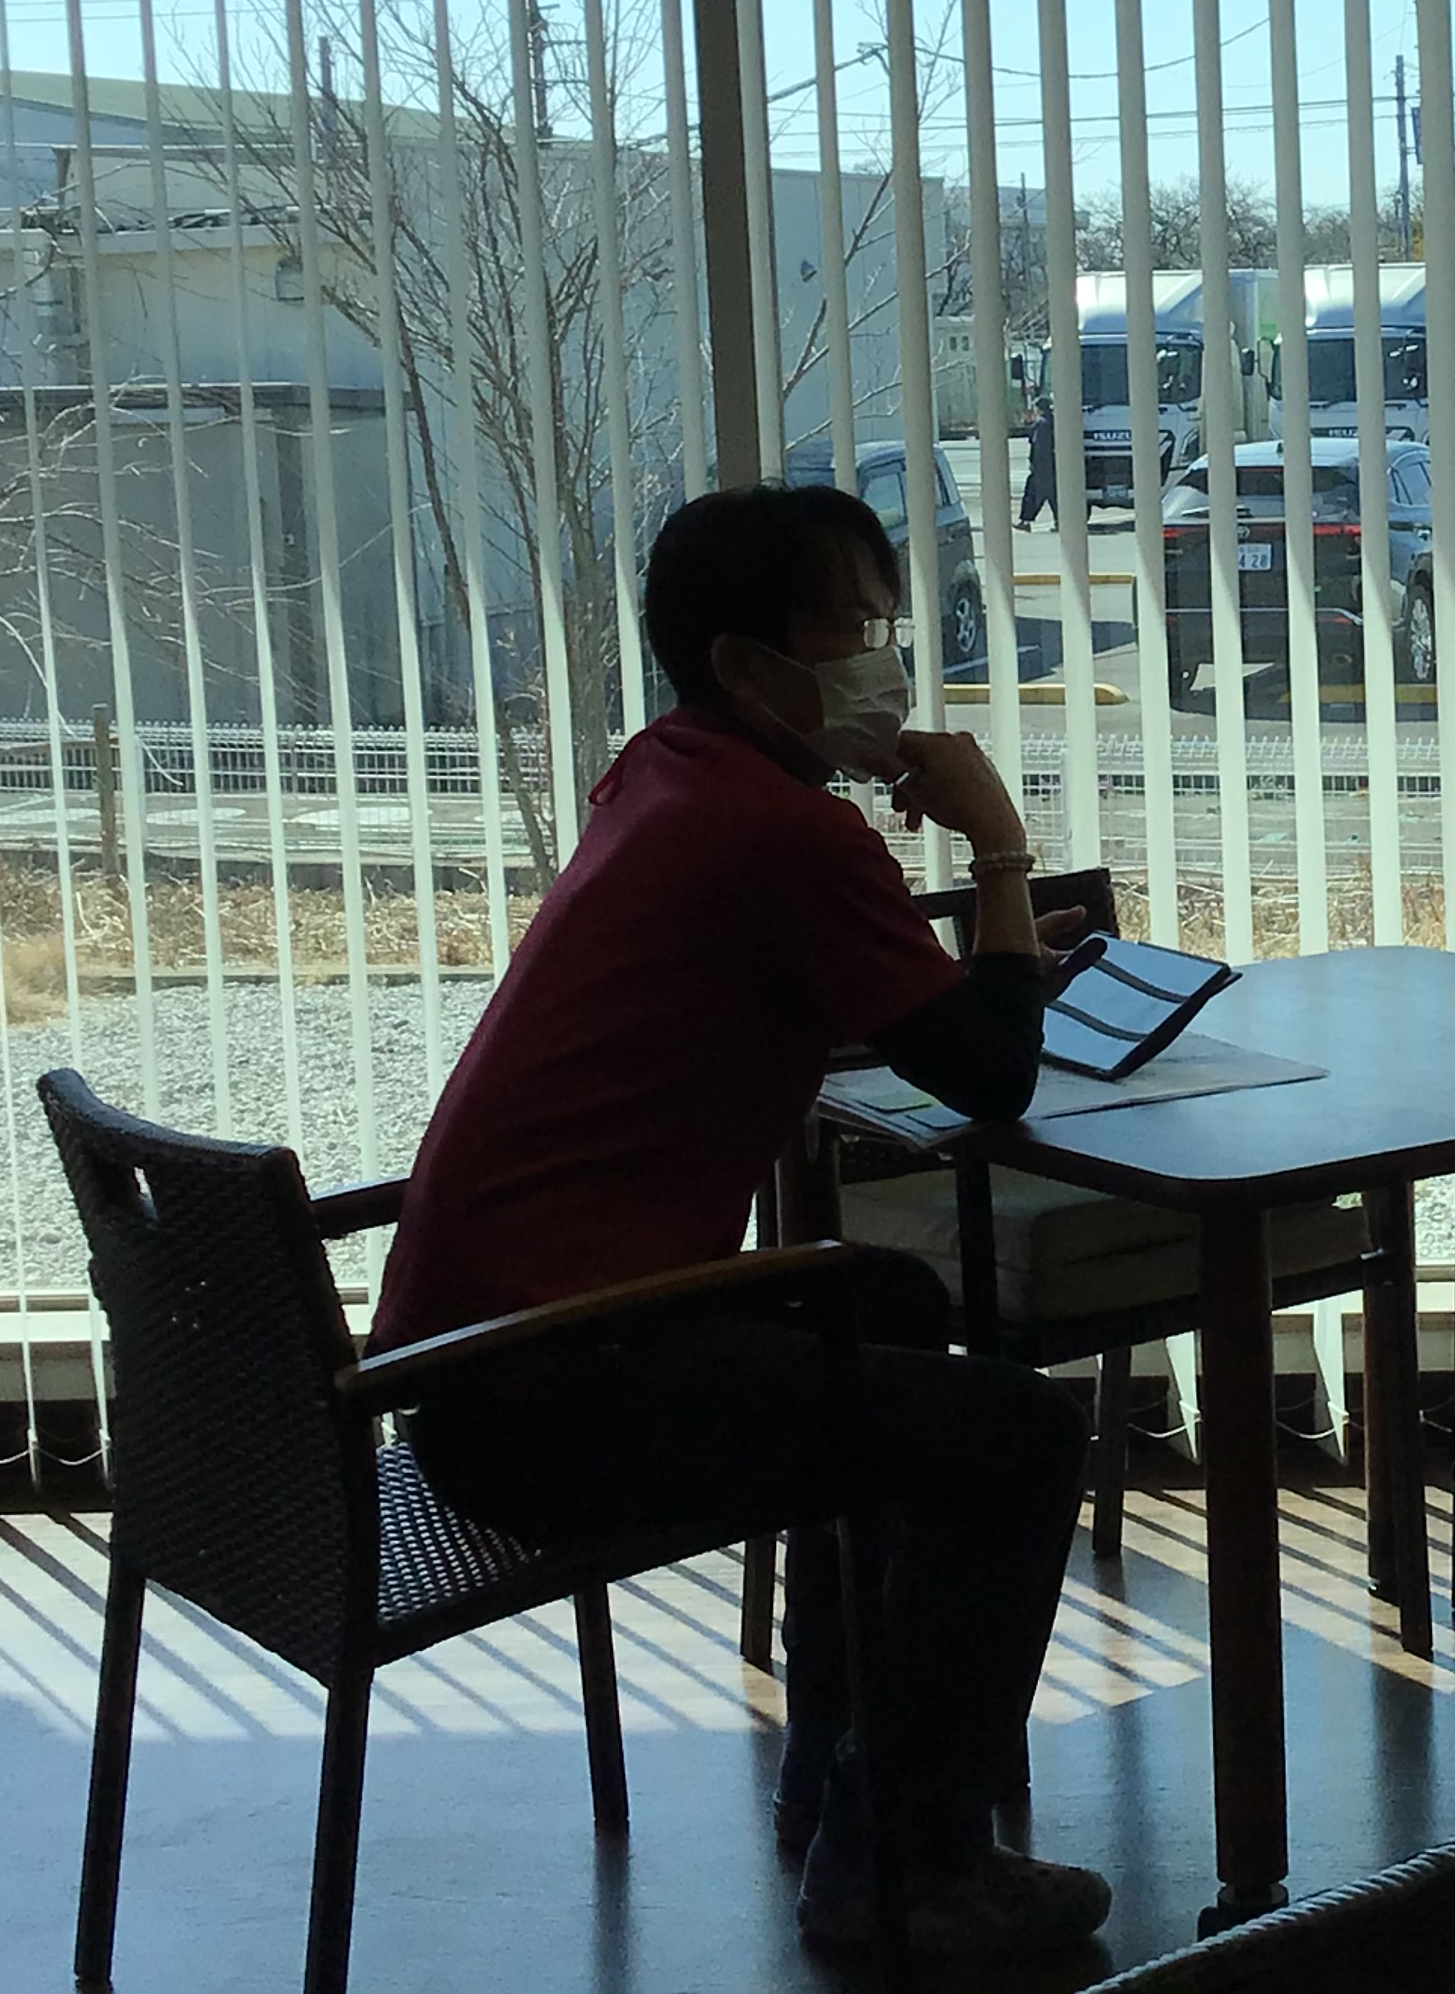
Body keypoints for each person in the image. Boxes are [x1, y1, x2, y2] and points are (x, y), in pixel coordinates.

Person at [373, 480, 1112, 1963]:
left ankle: (846, 1788)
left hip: (478, 1361)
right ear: (744, 663)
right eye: (855, 631)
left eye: (888, 627)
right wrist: (1000, 852)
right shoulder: (787, 833)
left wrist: (973, 974)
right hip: (553, 1394)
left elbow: (779, 997)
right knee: (1018, 1436)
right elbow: (989, 1078)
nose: (886, 664)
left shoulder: (670, 773)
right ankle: (909, 1867)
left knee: (891, 1312)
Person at [1020, 391, 1060, 531]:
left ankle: (1025, 522)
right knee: (1054, 496)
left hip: (1042, 466)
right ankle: (1060, 522)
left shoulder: (1041, 424)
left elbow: (1038, 446)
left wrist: (1034, 463)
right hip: (1054, 465)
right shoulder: (1054, 421)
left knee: (1032, 494)